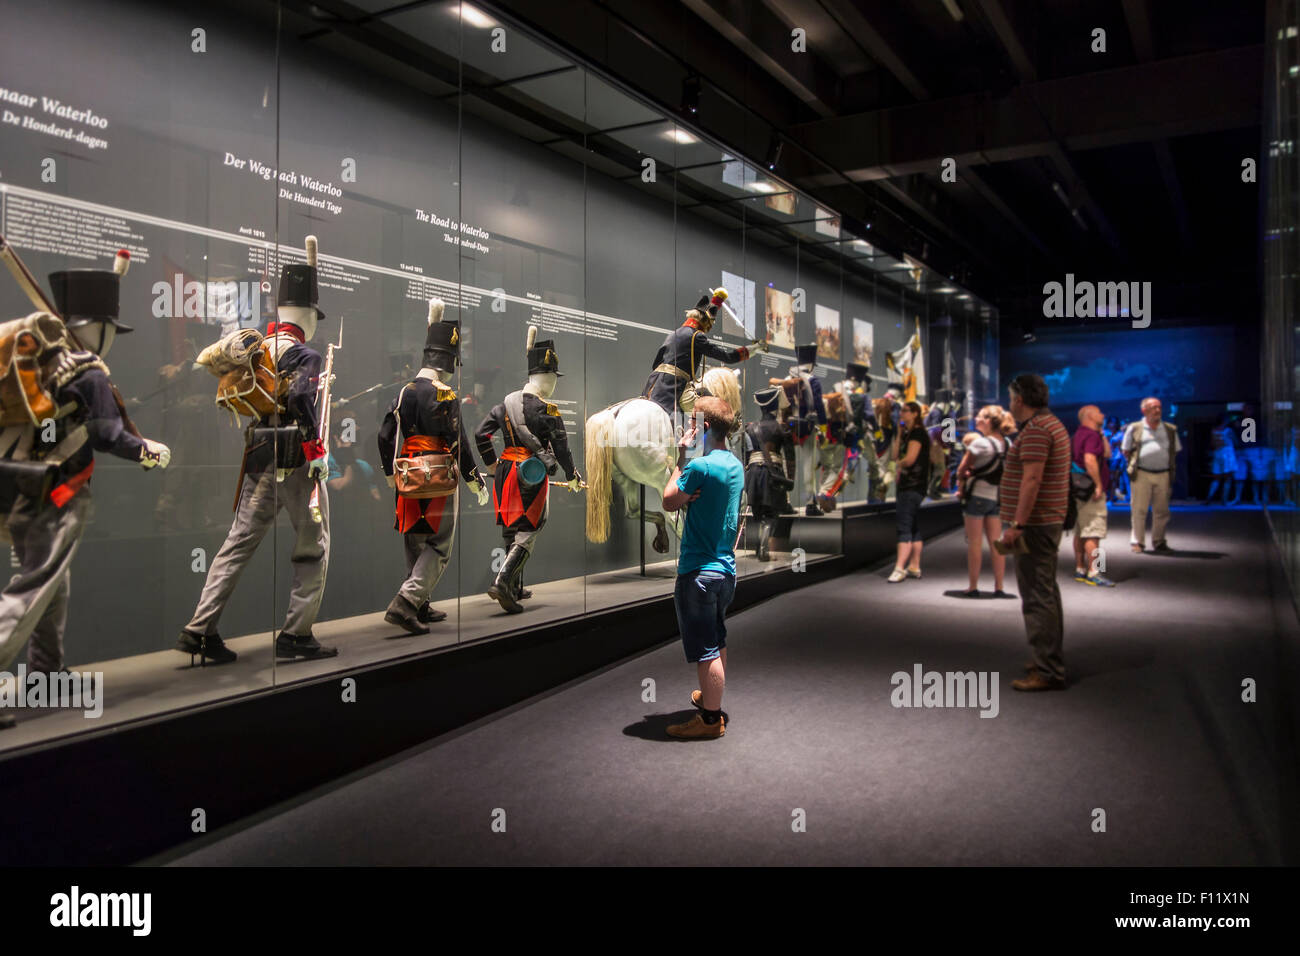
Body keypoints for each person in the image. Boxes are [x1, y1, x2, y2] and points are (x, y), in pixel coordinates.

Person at [0, 252, 171, 728]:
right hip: (57, 493)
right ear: (99, 326)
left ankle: (44, 675)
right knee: (34, 587)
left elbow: (60, 430)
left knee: (52, 585)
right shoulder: (88, 371)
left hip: (22, 487)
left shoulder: (52, 368)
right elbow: (108, 435)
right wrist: (148, 451)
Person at [177, 241, 335, 664]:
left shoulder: (261, 348)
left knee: (238, 543)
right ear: (306, 316)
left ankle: (200, 627)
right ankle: (296, 633)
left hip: (260, 455)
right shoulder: (305, 353)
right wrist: (317, 450)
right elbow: (302, 400)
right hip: (298, 461)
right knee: (313, 545)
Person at [377, 299, 490, 633]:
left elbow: (384, 437)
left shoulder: (403, 392)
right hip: (439, 475)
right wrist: (474, 479)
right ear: (449, 361)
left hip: (408, 473)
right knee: (439, 545)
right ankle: (406, 602)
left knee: (415, 539)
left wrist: (388, 473)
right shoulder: (445, 394)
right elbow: (459, 441)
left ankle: (419, 605)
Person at [475, 326, 581, 614]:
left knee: (512, 526)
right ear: (546, 376)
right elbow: (562, 450)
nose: (555, 384)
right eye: (554, 378)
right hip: (531, 473)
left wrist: (493, 464)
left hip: (505, 472)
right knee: (531, 526)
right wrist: (573, 477)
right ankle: (503, 580)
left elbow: (481, 435)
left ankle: (516, 587)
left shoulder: (503, 405)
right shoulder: (549, 410)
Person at [661, 396, 743, 740]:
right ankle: (713, 699)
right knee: (717, 637)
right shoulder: (735, 465)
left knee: (705, 650)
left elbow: (668, 500)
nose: (690, 429)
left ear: (705, 427)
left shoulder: (700, 468)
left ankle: (710, 720)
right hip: (725, 572)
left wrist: (680, 459)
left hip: (698, 572)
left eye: (694, 424)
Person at [999, 373, 1071, 692]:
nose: (1009, 404)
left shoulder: (1037, 430)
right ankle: (1046, 657)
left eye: (1010, 397)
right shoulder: (1050, 424)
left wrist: (1017, 524)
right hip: (1045, 521)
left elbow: (1032, 481)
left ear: (1019, 399)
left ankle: (1048, 669)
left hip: (1036, 524)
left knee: (1038, 596)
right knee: (1045, 592)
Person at [641, 288, 764, 423]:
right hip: (675, 386)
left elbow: (656, 363)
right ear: (705, 321)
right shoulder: (697, 336)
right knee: (709, 415)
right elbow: (728, 357)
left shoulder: (674, 334)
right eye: (710, 324)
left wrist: (717, 301)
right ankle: (697, 443)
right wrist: (754, 348)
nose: (710, 328)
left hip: (653, 385)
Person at [954, 404, 1015, 596]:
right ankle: (999, 587)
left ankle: (973, 586)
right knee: (997, 542)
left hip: (977, 496)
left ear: (988, 421)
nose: (976, 419)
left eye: (980, 416)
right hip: (997, 497)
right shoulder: (1008, 443)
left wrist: (967, 475)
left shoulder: (979, 443)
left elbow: (961, 470)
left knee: (974, 543)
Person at [743, 386, 795, 560]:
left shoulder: (750, 428)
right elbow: (790, 457)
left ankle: (759, 549)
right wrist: (789, 480)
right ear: (775, 404)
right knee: (772, 514)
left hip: (753, 472)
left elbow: (745, 456)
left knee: (757, 513)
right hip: (772, 473)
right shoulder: (780, 428)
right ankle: (764, 550)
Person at [1122, 396, 1180, 553]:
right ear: (1144, 410)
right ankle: (1137, 542)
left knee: (1162, 511)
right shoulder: (1134, 428)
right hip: (1142, 473)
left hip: (1163, 474)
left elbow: (1175, 450)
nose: (1158, 410)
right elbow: (1126, 450)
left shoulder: (1170, 429)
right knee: (1139, 510)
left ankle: (1159, 541)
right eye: (1154, 407)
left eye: (1159, 407)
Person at [1071, 405, 1115, 587]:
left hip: (1079, 490)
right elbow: (1090, 459)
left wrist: (1102, 434)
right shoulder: (1090, 435)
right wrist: (1098, 485)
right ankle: (1096, 571)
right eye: (1099, 411)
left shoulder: (1081, 434)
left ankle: (1080, 568)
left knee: (1081, 531)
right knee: (1095, 533)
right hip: (1091, 492)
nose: (1103, 413)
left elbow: (1107, 453)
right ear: (1089, 416)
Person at [887, 401, 930, 582]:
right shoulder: (908, 433)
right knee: (913, 527)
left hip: (911, 486)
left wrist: (895, 466)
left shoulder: (918, 433)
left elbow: (909, 459)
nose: (901, 414)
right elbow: (895, 455)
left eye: (905, 411)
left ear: (915, 413)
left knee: (904, 527)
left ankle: (899, 568)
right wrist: (898, 432)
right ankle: (914, 566)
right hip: (911, 486)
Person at [1205, 413, 1237, 506]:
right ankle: (1224, 500)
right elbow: (1235, 441)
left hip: (1217, 453)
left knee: (1216, 478)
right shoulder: (1228, 430)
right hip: (1227, 454)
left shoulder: (1213, 431)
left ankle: (1209, 498)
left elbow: (1212, 443)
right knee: (1228, 478)